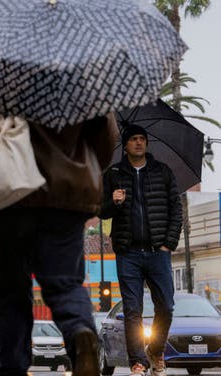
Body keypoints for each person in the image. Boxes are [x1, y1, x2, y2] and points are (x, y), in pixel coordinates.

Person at [0, 112, 118, 376]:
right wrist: (81, 165)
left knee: (11, 290)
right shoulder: (78, 77)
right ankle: (80, 332)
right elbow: (105, 139)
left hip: (9, 195)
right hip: (66, 196)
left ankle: (12, 365)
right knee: (65, 284)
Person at [99, 124, 182, 376]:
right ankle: (138, 362)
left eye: (142, 139)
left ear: (146, 143)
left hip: (159, 252)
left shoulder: (163, 172)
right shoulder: (113, 174)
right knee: (133, 310)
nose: (138, 143)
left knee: (166, 306)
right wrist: (113, 203)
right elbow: (100, 211)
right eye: (133, 139)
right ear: (125, 145)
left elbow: (176, 210)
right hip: (128, 253)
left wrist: (169, 243)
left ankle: (155, 351)